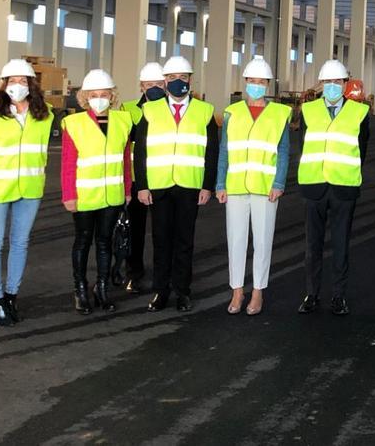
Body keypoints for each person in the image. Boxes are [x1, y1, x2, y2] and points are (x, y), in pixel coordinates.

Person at [133, 55, 219, 313]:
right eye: (172, 78)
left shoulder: (205, 111)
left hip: (190, 186)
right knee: (161, 240)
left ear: (190, 80)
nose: (177, 82)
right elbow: (141, 152)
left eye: (182, 78)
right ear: (164, 81)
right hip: (159, 187)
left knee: (184, 241)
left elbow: (211, 152)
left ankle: (182, 291)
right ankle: (161, 291)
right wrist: (142, 186)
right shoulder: (150, 110)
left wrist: (207, 186)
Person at [0, 59, 55, 326]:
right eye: (11, 81)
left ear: (31, 84)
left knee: (20, 243)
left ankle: (11, 296)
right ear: (3, 85)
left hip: (29, 188)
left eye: (22, 80)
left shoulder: (46, 115)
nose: (17, 85)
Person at [216, 58, 291, 316]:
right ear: (245, 82)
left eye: (261, 82)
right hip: (236, 185)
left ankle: (258, 291)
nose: (256, 85)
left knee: (262, 241)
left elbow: (283, 151)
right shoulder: (231, 112)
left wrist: (279, 182)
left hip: (265, 187)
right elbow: (224, 150)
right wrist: (220, 183)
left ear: (267, 84)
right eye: (252, 81)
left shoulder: (280, 113)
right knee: (236, 240)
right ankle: (237, 290)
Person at [297, 60, 370, 316]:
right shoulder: (307, 110)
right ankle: (311, 294)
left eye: (337, 82)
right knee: (312, 246)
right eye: (327, 82)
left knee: (341, 245)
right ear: (321, 84)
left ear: (345, 84)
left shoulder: (360, 112)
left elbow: (362, 150)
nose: (332, 86)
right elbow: (302, 145)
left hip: (343, 187)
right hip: (314, 186)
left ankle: (339, 296)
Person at [62, 69, 133, 315]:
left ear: (112, 96)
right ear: (85, 97)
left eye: (105, 94)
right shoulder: (74, 123)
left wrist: (127, 189)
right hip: (84, 196)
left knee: (105, 243)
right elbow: (68, 163)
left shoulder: (124, 121)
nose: (100, 98)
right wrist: (68, 195)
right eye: (94, 94)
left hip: (112, 195)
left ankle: (101, 288)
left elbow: (125, 159)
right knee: (82, 242)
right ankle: (80, 289)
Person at [120, 61, 167, 293]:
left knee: (163, 232)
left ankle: (163, 276)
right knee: (134, 230)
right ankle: (134, 273)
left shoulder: (173, 109)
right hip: (136, 179)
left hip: (164, 177)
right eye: (150, 84)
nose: (155, 88)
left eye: (159, 83)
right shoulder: (128, 109)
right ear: (141, 86)